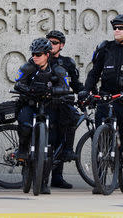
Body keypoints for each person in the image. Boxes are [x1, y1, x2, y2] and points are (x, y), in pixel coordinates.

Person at [79, 14, 123, 195]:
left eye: (120, 28)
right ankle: (100, 181)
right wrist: (87, 91)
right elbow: (94, 73)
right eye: (115, 28)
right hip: (105, 98)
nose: (116, 31)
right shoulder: (106, 48)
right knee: (101, 141)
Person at [14, 37, 70, 194]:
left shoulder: (57, 69)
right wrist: (29, 90)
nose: (35, 57)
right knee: (25, 126)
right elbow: (18, 83)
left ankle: (44, 182)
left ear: (47, 54)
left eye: (38, 54)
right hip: (30, 105)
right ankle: (23, 151)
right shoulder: (27, 67)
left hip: (49, 106)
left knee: (50, 144)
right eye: (33, 54)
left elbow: (66, 87)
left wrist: (52, 91)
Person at [46, 30, 84, 189]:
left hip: (63, 106)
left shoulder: (67, 62)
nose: (51, 45)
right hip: (46, 105)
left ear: (61, 45)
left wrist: (84, 93)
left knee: (61, 138)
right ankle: (38, 175)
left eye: (54, 43)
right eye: (48, 42)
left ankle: (57, 177)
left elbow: (75, 83)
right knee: (49, 140)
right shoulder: (40, 59)